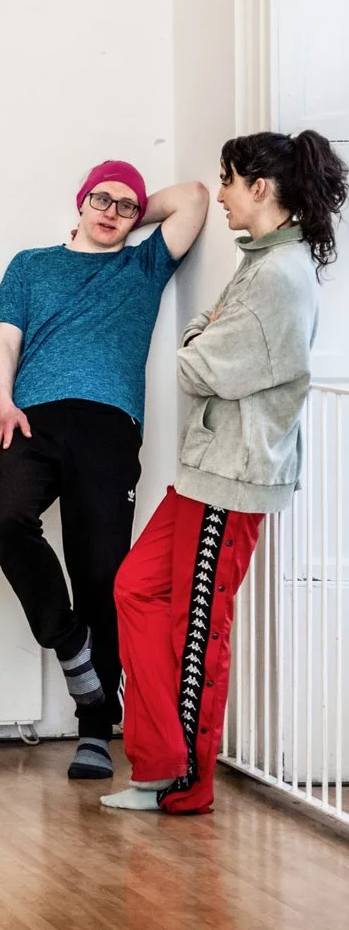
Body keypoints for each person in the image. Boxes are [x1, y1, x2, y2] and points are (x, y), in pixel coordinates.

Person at [105, 132, 345, 814]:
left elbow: (197, 364)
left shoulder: (279, 276)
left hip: (232, 476)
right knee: (135, 587)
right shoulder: (262, 261)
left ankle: (186, 784)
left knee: (199, 628)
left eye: (229, 181)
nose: (221, 196)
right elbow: (208, 347)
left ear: (260, 187)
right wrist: (203, 333)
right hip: (206, 469)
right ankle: (160, 762)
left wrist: (196, 335)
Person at [0, 161, 208, 780]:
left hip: (109, 426)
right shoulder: (31, 265)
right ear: (79, 202)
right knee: (4, 518)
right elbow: (4, 341)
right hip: (30, 417)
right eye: (100, 200)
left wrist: (131, 213)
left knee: (101, 571)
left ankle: (94, 728)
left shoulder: (143, 264)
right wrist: (3, 405)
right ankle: (68, 639)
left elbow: (193, 197)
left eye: (125, 206)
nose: (111, 212)